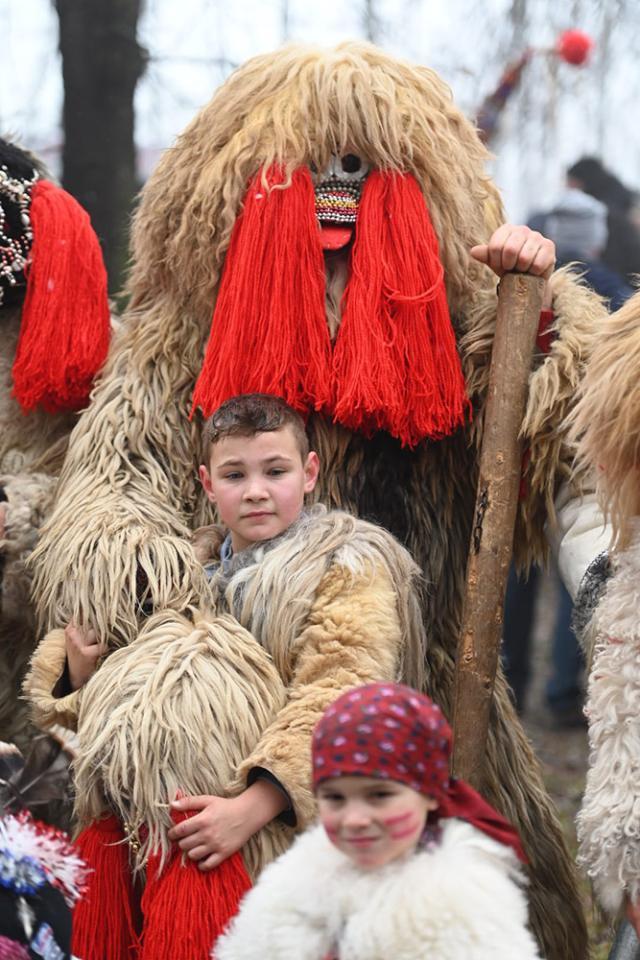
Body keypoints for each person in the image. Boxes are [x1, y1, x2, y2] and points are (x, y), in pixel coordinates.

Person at [26, 43, 611, 960]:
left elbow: (548, 449)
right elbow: (114, 494)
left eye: (370, 178)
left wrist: (530, 316)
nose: (335, 185)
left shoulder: (460, 327)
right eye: (298, 181)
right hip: (210, 708)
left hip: (413, 709)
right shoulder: (176, 345)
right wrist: (169, 637)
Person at [28, 392, 427, 960]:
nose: (257, 490)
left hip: (260, 829)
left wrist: (256, 806)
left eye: (276, 470)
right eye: (235, 474)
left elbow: (338, 694)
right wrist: (80, 673)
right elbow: (133, 697)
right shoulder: (178, 571)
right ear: (207, 483)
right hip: (143, 824)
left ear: (310, 473)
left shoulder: (346, 566)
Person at [215, 682, 541, 960]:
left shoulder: (462, 901)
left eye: (380, 796)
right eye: (335, 798)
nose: (355, 819)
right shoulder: (296, 880)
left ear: (430, 793)